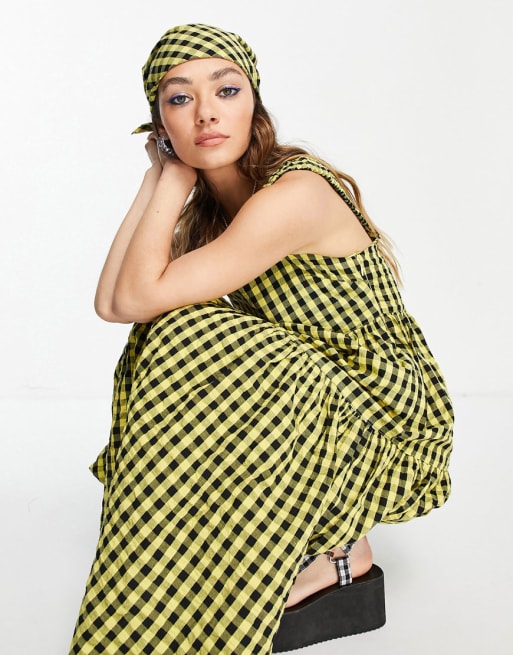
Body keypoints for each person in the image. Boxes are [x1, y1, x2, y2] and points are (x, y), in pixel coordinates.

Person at [69, 23, 453, 655]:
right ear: (161, 123)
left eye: (226, 90)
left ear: (255, 103)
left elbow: (134, 298)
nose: (207, 112)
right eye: (180, 98)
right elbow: (112, 303)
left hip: (388, 418)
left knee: (184, 328)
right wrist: (160, 180)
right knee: (165, 330)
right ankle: (215, 558)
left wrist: (172, 180)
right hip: (316, 393)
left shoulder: (295, 194)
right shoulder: (213, 211)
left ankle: (341, 550)